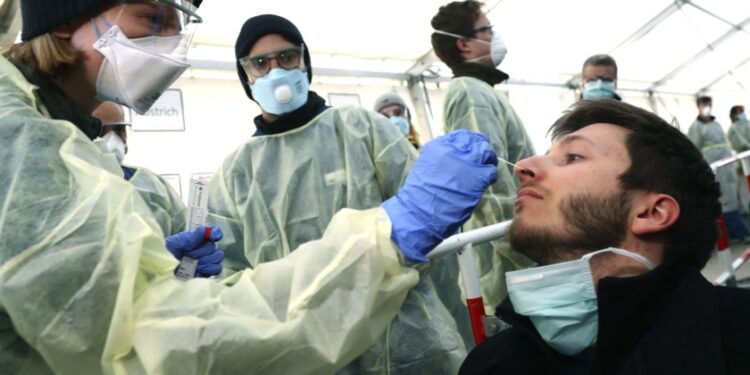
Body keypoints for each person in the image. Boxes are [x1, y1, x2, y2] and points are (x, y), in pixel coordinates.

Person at [0, 1, 496, 373]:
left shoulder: (359, 129)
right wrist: (390, 235)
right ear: (62, 15)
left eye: (180, 23)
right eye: (151, 18)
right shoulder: (19, 139)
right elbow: (144, 339)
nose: (170, 43)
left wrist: (152, 275)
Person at [206, 14, 466, 374]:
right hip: (304, 349)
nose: (275, 72)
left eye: (287, 57)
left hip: (405, 336)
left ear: (304, 60)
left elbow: (431, 230)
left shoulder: (362, 129)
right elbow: (228, 273)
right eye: (260, 64)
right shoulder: (235, 174)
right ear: (245, 75)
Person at [459, 99, 750, 375]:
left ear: (652, 213)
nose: (523, 167)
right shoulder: (491, 363)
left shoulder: (738, 337)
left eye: (572, 157)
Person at [431, 0, 536, 318]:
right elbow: (488, 187)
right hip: (510, 274)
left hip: (512, 269)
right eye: (487, 30)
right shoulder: (470, 93)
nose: (494, 37)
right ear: (463, 44)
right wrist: (532, 254)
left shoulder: (479, 90)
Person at [93, 101, 187, 236]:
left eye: (119, 130)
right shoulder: (68, 190)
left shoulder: (152, 184)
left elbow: (183, 229)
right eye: (101, 131)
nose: (113, 140)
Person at [688, 96, 749, 242]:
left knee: (733, 197)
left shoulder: (716, 124)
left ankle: (732, 232)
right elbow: (694, 148)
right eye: (704, 104)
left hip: (727, 165)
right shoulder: (695, 127)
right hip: (714, 165)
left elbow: (725, 142)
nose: (707, 106)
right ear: (698, 106)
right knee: (725, 199)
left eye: (709, 104)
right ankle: (739, 232)